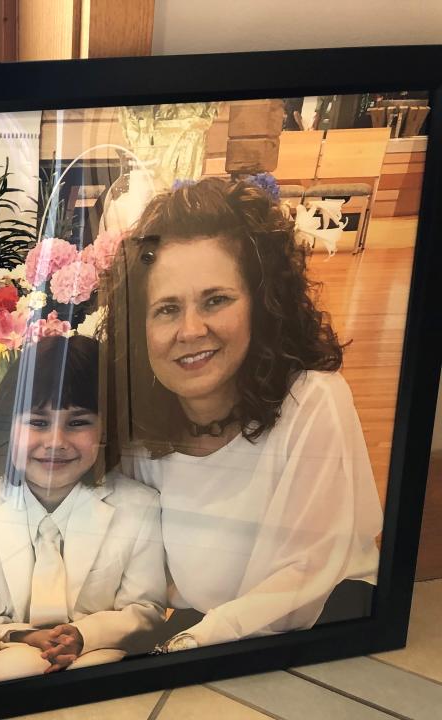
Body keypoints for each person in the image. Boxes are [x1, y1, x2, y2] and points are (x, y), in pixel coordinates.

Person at [101, 177, 383, 653]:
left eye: (216, 300)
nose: (191, 330)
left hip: (324, 630)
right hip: (205, 635)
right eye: (167, 309)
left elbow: (306, 576)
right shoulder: (138, 428)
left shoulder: (315, 401)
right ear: (138, 328)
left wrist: (187, 643)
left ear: (262, 305)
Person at [0, 336, 165, 689]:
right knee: (14, 671)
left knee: (100, 675)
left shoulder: (140, 506)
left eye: (78, 422)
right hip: (16, 650)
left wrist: (83, 635)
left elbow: (145, 609)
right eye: (37, 423)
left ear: (106, 430)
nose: (55, 441)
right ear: (8, 428)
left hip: (102, 648)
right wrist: (25, 638)